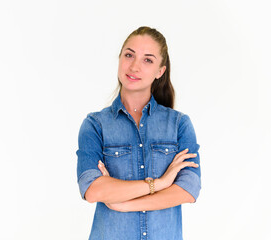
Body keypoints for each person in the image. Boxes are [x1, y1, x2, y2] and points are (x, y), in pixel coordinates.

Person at [76, 26, 201, 240]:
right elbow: (93, 190)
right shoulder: (95, 125)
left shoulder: (179, 124)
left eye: (147, 60)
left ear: (160, 71)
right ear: (119, 59)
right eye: (129, 55)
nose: (134, 66)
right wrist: (160, 184)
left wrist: (123, 205)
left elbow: (188, 190)